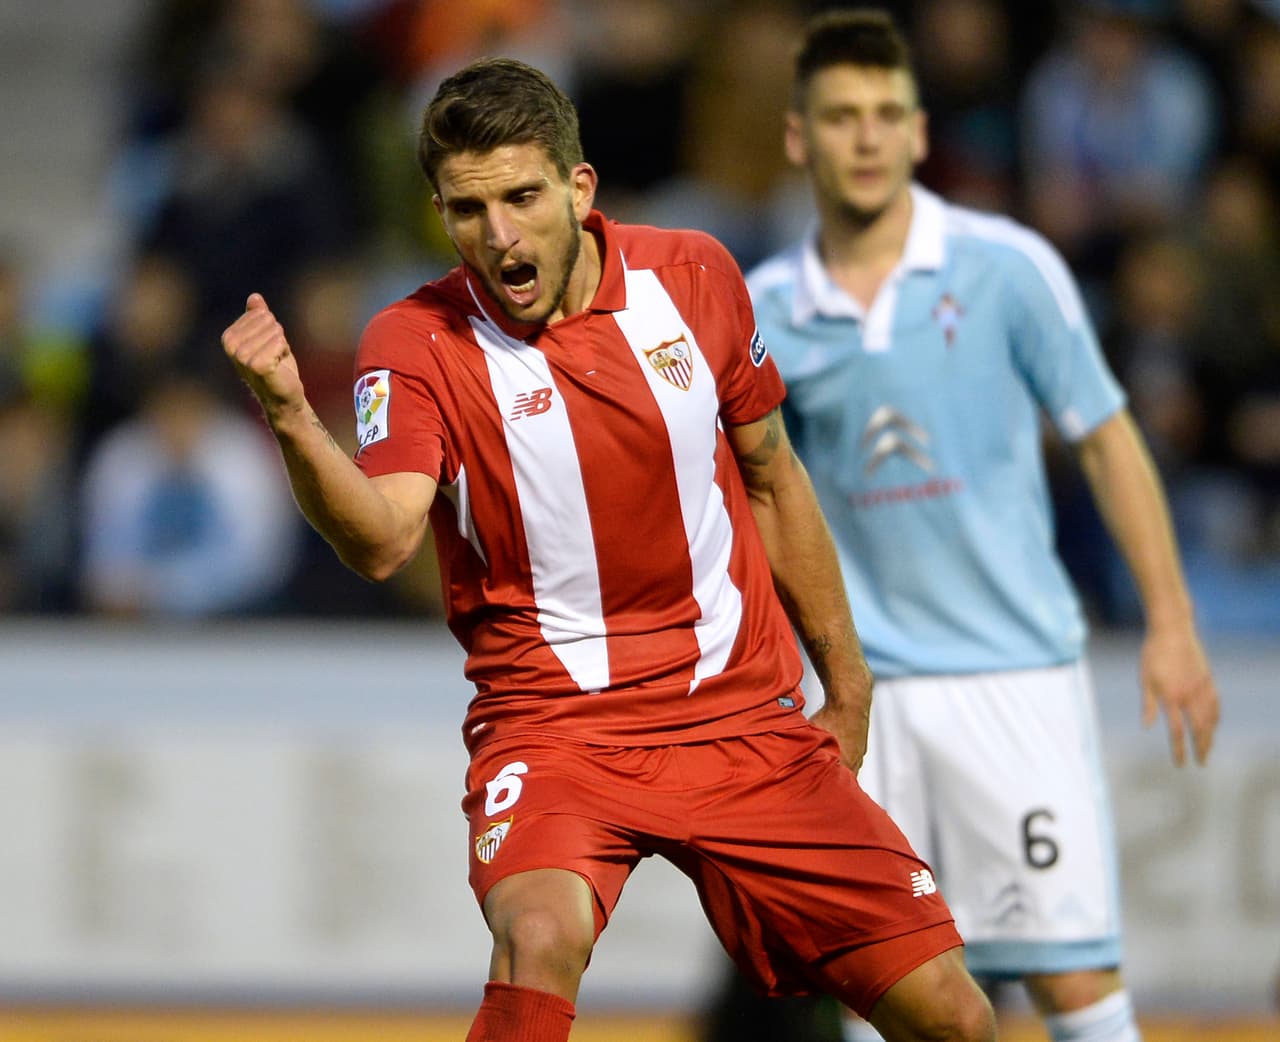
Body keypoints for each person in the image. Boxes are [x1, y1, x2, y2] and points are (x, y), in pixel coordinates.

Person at [221, 56, 997, 1042]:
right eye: (465, 210)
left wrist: (844, 676)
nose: (496, 234)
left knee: (956, 1018)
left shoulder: (694, 278)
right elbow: (380, 539)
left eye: (520, 197)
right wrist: (292, 417)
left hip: (741, 720)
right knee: (537, 935)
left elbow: (772, 478)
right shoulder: (415, 341)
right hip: (554, 729)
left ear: (578, 189)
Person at [744, 10, 1221, 1042]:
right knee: (882, 998)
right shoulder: (761, 310)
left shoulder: (1006, 268)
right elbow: (746, 505)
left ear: (918, 134)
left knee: (1072, 983)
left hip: (1010, 681)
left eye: (884, 115)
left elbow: (1105, 437)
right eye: (838, 117)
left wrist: (1170, 620)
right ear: (798, 137)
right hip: (857, 704)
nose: (863, 138)